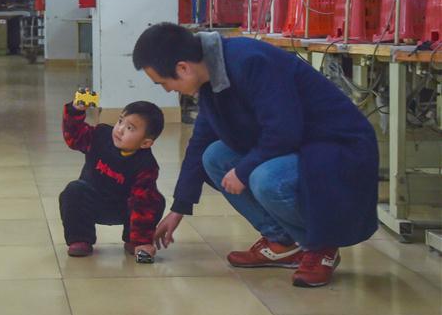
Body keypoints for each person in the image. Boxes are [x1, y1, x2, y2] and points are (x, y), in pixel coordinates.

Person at [132, 23, 378, 287]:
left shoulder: (250, 61)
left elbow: (284, 130)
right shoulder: (209, 76)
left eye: (163, 83)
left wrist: (244, 169)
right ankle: (283, 243)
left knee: (264, 178)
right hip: (299, 145)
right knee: (214, 157)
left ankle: (321, 246)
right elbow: (200, 142)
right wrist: (178, 208)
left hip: (336, 148)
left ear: (183, 68)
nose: (168, 90)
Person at [59, 96, 166, 260]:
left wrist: (142, 241)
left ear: (145, 143)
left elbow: (143, 202)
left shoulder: (146, 165)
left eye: (130, 128)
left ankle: (133, 240)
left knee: (155, 200)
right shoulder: (101, 135)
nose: (120, 129)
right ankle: (80, 239)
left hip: (125, 209)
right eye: (120, 121)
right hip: (92, 204)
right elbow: (75, 137)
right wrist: (75, 111)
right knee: (74, 190)